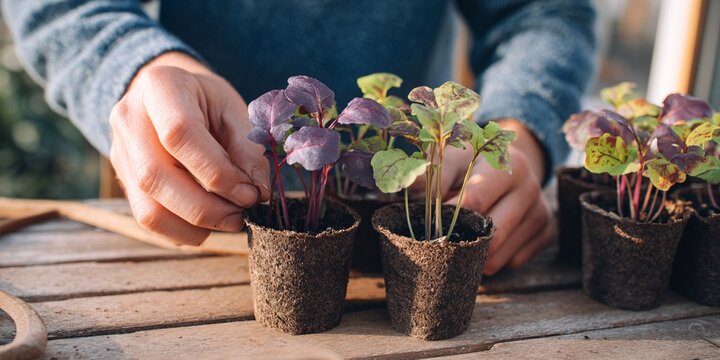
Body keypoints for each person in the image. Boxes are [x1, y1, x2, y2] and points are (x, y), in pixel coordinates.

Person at [2, 0, 595, 275]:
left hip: (412, 200)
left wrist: (523, 128)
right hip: (194, 226)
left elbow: (542, 12)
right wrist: (136, 65)